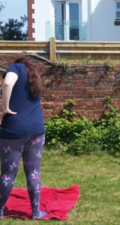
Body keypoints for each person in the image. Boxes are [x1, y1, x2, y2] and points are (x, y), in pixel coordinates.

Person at [0, 57, 48, 219]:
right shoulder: (34, 79)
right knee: (34, 172)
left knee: (8, 173)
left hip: (13, 131)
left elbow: (7, 83)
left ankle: (0, 210)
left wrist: (4, 108)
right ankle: (35, 212)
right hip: (36, 130)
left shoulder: (16, 68)